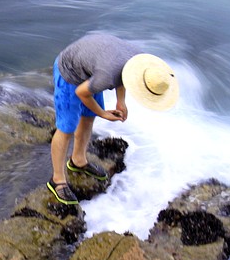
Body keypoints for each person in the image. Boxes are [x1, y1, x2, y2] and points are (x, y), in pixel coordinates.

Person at [48, 32, 179, 205]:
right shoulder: (107, 76)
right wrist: (103, 113)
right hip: (69, 72)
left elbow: (125, 75)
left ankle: (78, 160)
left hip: (92, 68)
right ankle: (57, 180)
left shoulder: (141, 62)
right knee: (66, 128)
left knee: (88, 117)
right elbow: (82, 92)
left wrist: (120, 101)